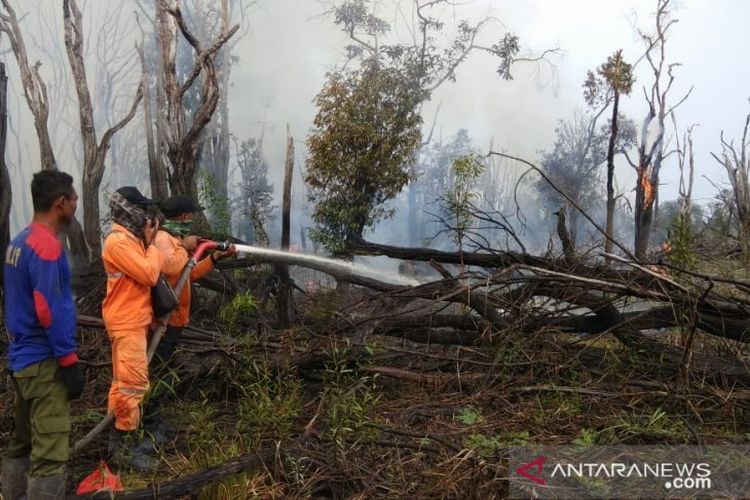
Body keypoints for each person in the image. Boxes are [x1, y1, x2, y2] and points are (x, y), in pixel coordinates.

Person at [1, 170, 82, 499]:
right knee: (49, 452)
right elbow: (48, 308)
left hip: (22, 361)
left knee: (22, 440)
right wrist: (68, 360)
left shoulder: (18, 242)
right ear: (61, 203)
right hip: (45, 362)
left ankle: (10, 493)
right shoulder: (46, 246)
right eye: (74, 198)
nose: (76, 203)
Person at [141, 195, 235, 444]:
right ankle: (149, 427)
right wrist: (186, 247)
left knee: (164, 372)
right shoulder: (163, 240)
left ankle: (157, 422)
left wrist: (213, 258)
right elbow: (172, 268)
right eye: (191, 215)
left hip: (174, 322)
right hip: (163, 323)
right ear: (184, 217)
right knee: (157, 373)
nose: (193, 219)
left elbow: (187, 276)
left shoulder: (173, 240)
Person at [101, 186, 164, 471]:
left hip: (133, 320)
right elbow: (149, 274)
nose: (146, 215)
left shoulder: (130, 239)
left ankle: (117, 445)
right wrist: (154, 246)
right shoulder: (119, 242)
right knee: (132, 386)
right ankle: (124, 451)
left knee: (123, 385)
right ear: (128, 210)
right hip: (126, 324)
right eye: (140, 208)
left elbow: (137, 286)